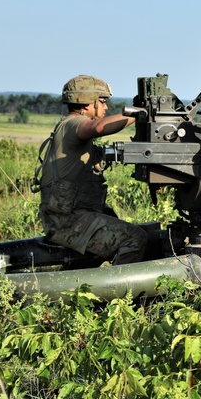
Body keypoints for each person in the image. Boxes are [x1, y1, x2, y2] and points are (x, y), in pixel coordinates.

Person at [34, 75, 147, 265]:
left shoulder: (70, 128)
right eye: (102, 101)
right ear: (87, 104)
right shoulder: (73, 125)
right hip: (67, 223)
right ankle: (120, 293)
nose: (106, 107)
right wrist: (140, 113)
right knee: (135, 238)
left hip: (72, 216)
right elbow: (100, 127)